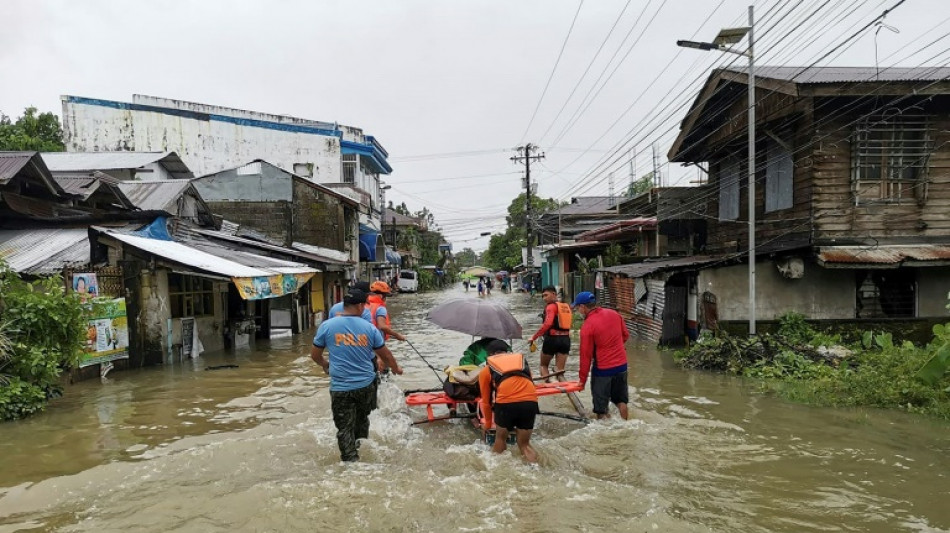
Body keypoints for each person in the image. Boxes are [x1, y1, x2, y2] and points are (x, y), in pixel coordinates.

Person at [311, 288, 403, 461]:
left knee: (344, 428)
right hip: (365, 386)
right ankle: (361, 449)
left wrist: (325, 365)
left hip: (340, 388)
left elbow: (315, 355)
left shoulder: (327, 326)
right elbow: (386, 355)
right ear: (361, 306)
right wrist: (396, 369)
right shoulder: (369, 328)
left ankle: (350, 462)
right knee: (362, 420)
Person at [572, 291, 630, 420]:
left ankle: (606, 435)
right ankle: (625, 425)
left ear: (583, 307)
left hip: (603, 370)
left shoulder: (588, 326)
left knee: (601, 409)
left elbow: (585, 356)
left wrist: (582, 381)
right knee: (621, 402)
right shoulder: (614, 314)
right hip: (622, 366)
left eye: (577, 308)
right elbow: (625, 335)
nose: (578, 311)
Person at [478, 350, 539, 463]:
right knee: (525, 445)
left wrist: (487, 424)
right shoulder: (522, 362)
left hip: (506, 403)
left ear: (490, 356)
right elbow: (531, 382)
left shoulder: (486, 369)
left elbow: (485, 402)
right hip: (530, 402)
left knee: (500, 439)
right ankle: (535, 468)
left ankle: (495, 468)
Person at [528, 286, 572, 380]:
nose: (544, 298)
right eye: (543, 296)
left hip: (552, 339)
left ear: (554, 294)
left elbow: (547, 324)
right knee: (559, 370)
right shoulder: (565, 306)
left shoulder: (550, 307)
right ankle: (563, 390)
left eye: (546, 295)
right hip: (565, 340)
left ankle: (547, 385)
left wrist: (534, 337)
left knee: (543, 365)